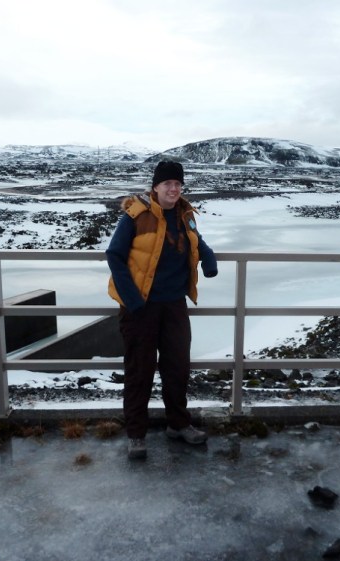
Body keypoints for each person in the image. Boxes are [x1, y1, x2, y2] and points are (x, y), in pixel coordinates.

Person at [106, 160, 218, 459]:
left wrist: (209, 259)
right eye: (168, 183)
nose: (174, 188)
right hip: (140, 306)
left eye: (178, 184)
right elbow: (114, 255)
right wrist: (132, 300)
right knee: (139, 370)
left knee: (177, 367)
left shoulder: (184, 214)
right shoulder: (136, 215)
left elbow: (197, 241)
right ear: (155, 186)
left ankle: (178, 424)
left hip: (174, 304)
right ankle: (136, 434)